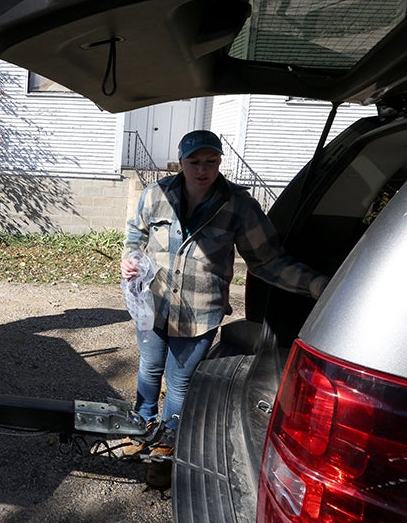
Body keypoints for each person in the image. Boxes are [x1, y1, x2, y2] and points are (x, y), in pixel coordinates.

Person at [120, 129, 329, 489]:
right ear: (181, 163)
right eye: (194, 162)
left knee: (181, 384)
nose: (203, 170)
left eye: (211, 162)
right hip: (151, 307)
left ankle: (164, 452)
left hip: (199, 314)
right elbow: (135, 234)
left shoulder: (238, 205)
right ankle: (140, 429)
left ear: (219, 162)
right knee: (149, 370)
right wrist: (128, 257)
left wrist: (315, 285)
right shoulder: (156, 195)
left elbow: (268, 261)